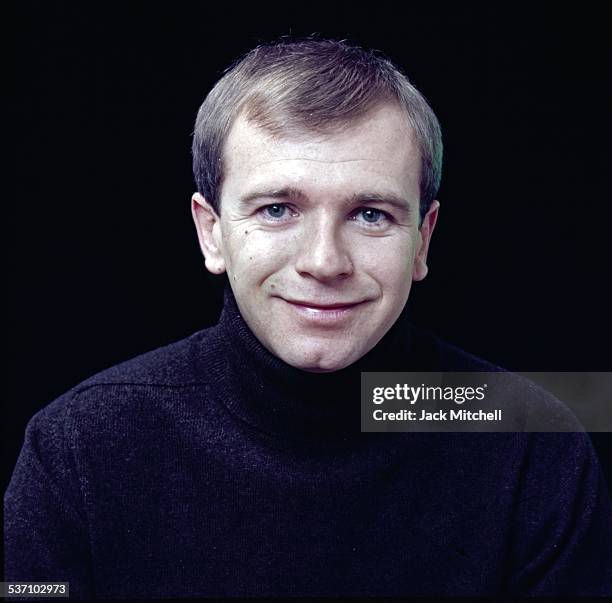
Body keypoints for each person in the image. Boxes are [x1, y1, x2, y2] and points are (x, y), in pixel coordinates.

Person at [5, 38, 612, 598]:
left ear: (422, 240)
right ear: (211, 232)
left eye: (371, 214)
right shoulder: (79, 446)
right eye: (277, 209)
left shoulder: (529, 438)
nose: (325, 262)